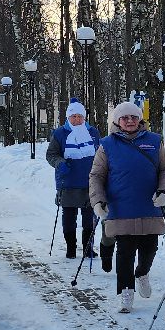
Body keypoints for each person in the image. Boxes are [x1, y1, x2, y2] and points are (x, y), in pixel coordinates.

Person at [89, 101, 165, 313]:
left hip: (150, 205)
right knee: (125, 252)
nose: (130, 121)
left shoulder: (154, 141)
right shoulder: (107, 145)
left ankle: (142, 273)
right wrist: (98, 201)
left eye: (134, 117)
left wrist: (164, 191)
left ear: (140, 119)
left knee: (149, 248)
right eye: (125, 118)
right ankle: (126, 291)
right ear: (117, 121)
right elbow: (96, 176)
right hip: (121, 207)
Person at [46, 100, 101, 259]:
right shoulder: (60, 133)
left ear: (84, 117)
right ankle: (71, 247)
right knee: (69, 217)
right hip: (68, 181)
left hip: (90, 181)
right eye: (73, 116)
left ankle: (87, 248)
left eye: (80, 116)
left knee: (89, 217)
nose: (77, 119)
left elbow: (101, 154)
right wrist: (60, 163)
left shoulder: (93, 132)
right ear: (68, 117)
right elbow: (51, 155)